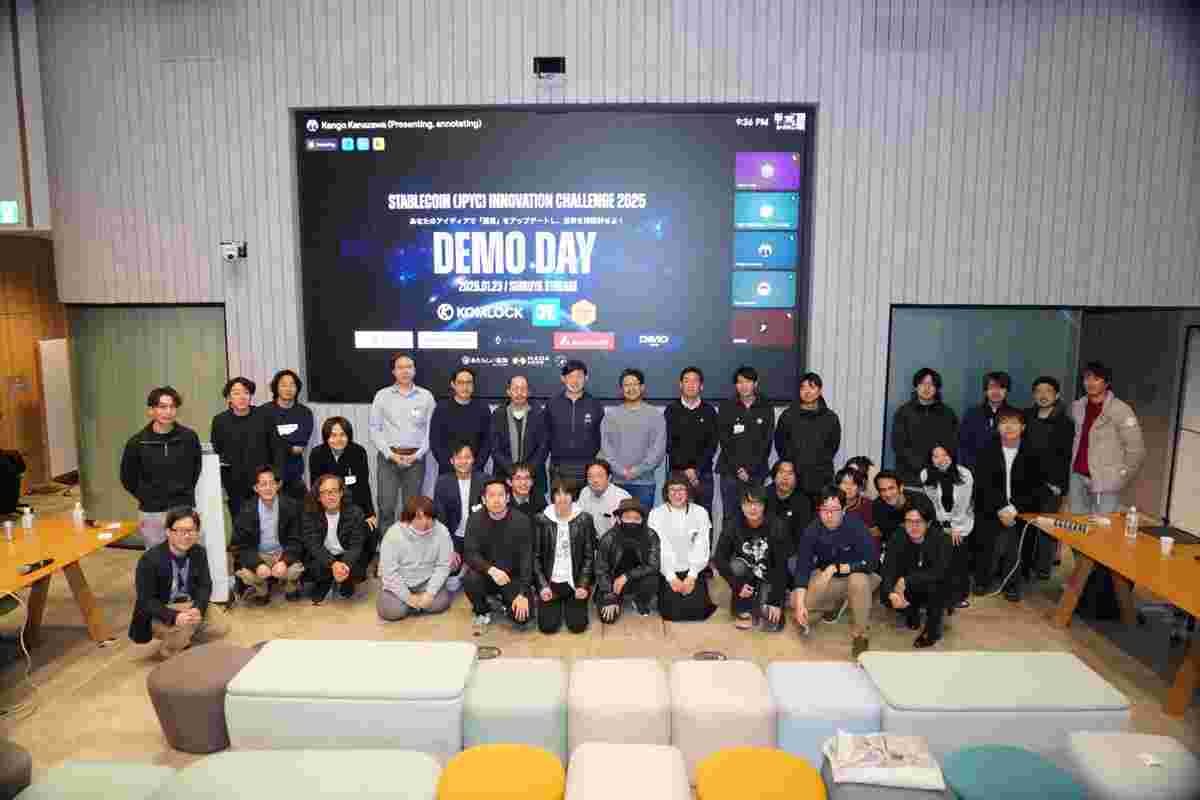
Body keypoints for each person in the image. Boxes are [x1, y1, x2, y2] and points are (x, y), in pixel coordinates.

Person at [791, 486, 881, 659]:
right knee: (796, 603)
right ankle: (836, 603)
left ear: (844, 509)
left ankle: (860, 634)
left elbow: (872, 562)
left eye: (834, 510)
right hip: (831, 579)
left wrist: (836, 568)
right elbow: (802, 567)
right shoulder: (812, 530)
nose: (829, 515)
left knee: (858, 581)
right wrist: (801, 605)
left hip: (861, 575)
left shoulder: (856, 526)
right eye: (824, 509)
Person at [129, 507, 230, 659]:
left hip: (187, 605)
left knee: (221, 626)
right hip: (160, 611)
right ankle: (170, 654)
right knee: (184, 626)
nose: (186, 536)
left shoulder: (199, 552)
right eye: (180, 531)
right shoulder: (150, 560)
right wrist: (174, 616)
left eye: (191, 531)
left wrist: (198, 608)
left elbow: (205, 585)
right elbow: (146, 600)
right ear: (168, 532)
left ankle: (184, 640)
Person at [973, 407, 1046, 602]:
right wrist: (1001, 507)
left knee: (1016, 547)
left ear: (1023, 427)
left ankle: (1012, 584)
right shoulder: (986, 450)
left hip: (1021, 510)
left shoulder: (1034, 452)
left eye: (1014, 423)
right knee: (988, 545)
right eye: (1004, 423)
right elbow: (983, 483)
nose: (1009, 427)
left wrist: (1014, 509)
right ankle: (982, 580)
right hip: (992, 507)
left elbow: (1036, 487)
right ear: (997, 427)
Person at [120, 386, 202, 548]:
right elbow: (127, 477)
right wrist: (147, 496)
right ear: (151, 411)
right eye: (162, 407)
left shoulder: (189, 438)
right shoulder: (137, 442)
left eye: (172, 407)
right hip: (152, 511)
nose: (168, 412)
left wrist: (183, 493)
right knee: (155, 555)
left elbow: (195, 470)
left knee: (187, 551)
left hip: (182, 508)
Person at [369, 353, 436, 533]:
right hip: (388, 458)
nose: (405, 371)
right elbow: (374, 429)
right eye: (400, 367)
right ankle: (386, 545)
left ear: (414, 370)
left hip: (416, 459)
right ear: (393, 371)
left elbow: (431, 431)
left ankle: (409, 545)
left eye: (409, 367)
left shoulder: (426, 397)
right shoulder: (382, 396)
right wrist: (391, 454)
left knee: (412, 509)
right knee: (386, 506)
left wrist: (417, 455)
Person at [1069, 361, 1145, 515]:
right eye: (1087, 378)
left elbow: (1136, 449)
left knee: (1102, 525)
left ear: (1107, 383)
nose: (1090, 383)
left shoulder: (1121, 410)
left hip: (1106, 480)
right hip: (1078, 475)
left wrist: (1121, 475)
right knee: (1077, 524)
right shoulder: (1077, 406)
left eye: (1096, 379)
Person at [463, 478, 535, 635]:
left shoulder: (521, 521)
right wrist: (491, 570)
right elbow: (470, 553)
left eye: (501, 495)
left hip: (512, 578)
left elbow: (527, 558)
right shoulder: (475, 519)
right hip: (487, 574)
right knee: (470, 578)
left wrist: (523, 593)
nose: (496, 500)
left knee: (523, 618)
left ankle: (502, 602)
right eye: (491, 495)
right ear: (484, 499)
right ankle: (482, 609)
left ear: (507, 498)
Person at [210, 377, 286, 521]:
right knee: (240, 523)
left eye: (246, 392)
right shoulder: (220, 421)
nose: (242, 397)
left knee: (266, 521)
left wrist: (278, 477)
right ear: (228, 398)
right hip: (234, 484)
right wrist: (222, 484)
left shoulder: (264, 416)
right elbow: (217, 452)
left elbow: (277, 449)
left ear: (251, 395)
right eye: (236, 393)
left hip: (263, 483)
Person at [716, 486, 789, 631]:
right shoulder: (733, 524)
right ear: (741, 505)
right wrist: (737, 585)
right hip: (746, 577)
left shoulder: (776, 525)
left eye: (757, 503)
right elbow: (719, 558)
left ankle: (768, 599)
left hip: (769, 576)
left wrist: (775, 600)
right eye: (748, 503)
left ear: (764, 505)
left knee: (771, 625)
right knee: (736, 565)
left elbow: (781, 566)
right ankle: (745, 603)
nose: (753, 508)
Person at [230, 466, 305, 604]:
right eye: (263, 484)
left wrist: (284, 561)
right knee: (247, 574)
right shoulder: (246, 511)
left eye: (271, 483)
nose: (268, 488)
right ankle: (261, 591)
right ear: (256, 488)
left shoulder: (291, 506)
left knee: (295, 570)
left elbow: (296, 540)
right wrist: (257, 564)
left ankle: (290, 587)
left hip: (281, 552)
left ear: (278, 485)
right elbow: (240, 545)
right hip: (260, 554)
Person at [1025, 376, 1076, 579]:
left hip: (1051, 484)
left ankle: (1043, 569)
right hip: (1027, 481)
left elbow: (1066, 457)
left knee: (1047, 527)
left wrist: (1060, 485)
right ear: (1033, 395)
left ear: (1057, 395)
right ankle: (1025, 566)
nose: (1043, 395)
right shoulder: (1026, 416)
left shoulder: (1065, 422)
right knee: (1028, 525)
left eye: (1048, 391)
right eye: (1038, 391)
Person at [648, 472, 717, 622]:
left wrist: (692, 576)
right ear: (666, 493)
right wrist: (671, 577)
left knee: (698, 612)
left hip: (693, 569)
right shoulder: (656, 514)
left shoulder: (700, 512)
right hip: (667, 570)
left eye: (681, 489)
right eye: (672, 490)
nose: (677, 494)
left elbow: (702, 545)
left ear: (688, 491)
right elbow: (659, 548)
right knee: (672, 614)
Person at [881, 505, 952, 648]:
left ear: (928, 523)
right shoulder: (897, 537)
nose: (913, 526)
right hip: (908, 585)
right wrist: (891, 594)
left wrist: (906, 580)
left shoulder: (942, 539)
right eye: (909, 521)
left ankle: (932, 630)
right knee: (886, 595)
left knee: (935, 587)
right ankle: (911, 611)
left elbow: (940, 572)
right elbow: (888, 569)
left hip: (936, 584)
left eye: (918, 522)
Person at [533, 479, 596, 634]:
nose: (562, 498)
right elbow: (535, 557)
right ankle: (555, 602)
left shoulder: (585, 519)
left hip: (574, 582)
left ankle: (571, 602)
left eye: (566, 493)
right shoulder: (541, 519)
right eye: (558, 494)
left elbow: (589, 556)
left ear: (573, 496)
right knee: (547, 627)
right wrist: (542, 586)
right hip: (551, 582)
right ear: (552, 496)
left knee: (577, 626)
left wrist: (583, 584)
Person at [376, 495, 454, 621]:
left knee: (442, 602)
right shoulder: (393, 534)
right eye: (419, 518)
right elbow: (389, 573)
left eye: (429, 517)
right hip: (402, 581)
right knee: (390, 611)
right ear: (408, 518)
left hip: (426, 581)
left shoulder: (442, 532)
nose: (425, 522)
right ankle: (414, 605)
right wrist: (408, 598)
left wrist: (430, 593)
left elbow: (443, 566)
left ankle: (414, 605)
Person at [716, 365, 775, 530]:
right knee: (730, 516)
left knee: (754, 516)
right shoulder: (727, 406)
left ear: (755, 383)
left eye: (748, 381)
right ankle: (728, 547)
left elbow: (767, 442)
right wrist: (738, 469)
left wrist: (750, 469)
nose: (744, 386)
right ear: (736, 385)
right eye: (740, 382)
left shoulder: (766, 406)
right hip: (730, 472)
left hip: (756, 473)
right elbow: (724, 441)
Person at [600, 368, 666, 510]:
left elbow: (658, 450)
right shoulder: (611, 416)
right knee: (617, 522)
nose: (631, 388)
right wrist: (620, 471)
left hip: (645, 484)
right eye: (626, 385)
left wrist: (638, 470)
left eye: (635, 384)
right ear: (621, 389)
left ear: (642, 387)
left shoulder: (655, 415)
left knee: (642, 521)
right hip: (617, 483)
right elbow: (606, 449)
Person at [773, 372, 841, 506]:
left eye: (811, 387)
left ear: (819, 391)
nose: (807, 391)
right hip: (794, 481)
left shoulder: (830, 418)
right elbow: (780, 445)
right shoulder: (788, 416)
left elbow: (832, 447)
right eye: (803, 388)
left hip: (821, 480)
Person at [919, 446, 973, 609]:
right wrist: (944, 525)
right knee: (938, 558)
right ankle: (938, 594)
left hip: (961, 522)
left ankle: (958, 596)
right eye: (936, 456)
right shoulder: (926, 474)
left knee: (957, 559)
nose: (941, 460)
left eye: (945, 455)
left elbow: (962, 505)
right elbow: (936, 503)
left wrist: (954, 526)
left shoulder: (964, 474)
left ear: (952, 455)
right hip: (940, 521)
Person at [663, 366, 719, 518]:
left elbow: (712, 444)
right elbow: (668, 443)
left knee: (704, 517)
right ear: (680, 384)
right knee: (675, 516)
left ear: (701, 386)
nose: (691, 385)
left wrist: (696, 470)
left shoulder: (709, 411)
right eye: (687, 381)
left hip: (703, 474)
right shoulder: (671, 410)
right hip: (677, 474)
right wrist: (686, 470)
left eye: (695, 381)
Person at [302, 474, 368, 603]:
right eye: (324, 492)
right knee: (313, 568)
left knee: (357, 569)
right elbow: (313, 545)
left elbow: (356, 545)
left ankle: (345, 580)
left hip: (346, 557)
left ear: (341, 493)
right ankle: (326, 581)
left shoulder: (355, 512)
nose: (330, 496)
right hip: (324, 557)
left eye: (334, 491)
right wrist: (333, 564)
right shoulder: (310, 514)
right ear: (318, 497)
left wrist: (345, 565)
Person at [594, 498, 661, 623]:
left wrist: (626, 576)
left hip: (637, 578)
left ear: (642, 520)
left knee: (653, 579)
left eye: (637, 518)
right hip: (611, 582)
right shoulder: (608, 538)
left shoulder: (651, 535)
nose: (632, 521)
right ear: (619, 519)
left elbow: (654, 565)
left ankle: (639, 600)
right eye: (628, 517)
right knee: (608, 618)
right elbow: (601, 569)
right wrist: (609, 595)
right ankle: (616, 597)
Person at [308, 416, 378, 535]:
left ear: (349, 436)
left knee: (372, 530)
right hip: (327, 506)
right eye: (333, 435)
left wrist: (369, 513)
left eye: (342, 435)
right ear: (326, 437)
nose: (338, 439)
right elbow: (315, 488)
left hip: (353, 506)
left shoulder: (358, 452)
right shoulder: (317, 454)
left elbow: (363, 486)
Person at [892, 368, 959, 485]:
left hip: (940, 474)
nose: (926, 388)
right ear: (916, 387)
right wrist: (923, 466)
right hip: (909, 476)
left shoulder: (948, 413)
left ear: (937, 388)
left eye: (931, 384)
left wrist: (939, 463)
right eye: (922, 383)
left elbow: (953, 443)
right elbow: (899, 445)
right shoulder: (903, 412)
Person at [432, 441, 488, 582]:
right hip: (455, 538)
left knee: (479, 575)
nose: (463, 462)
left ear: (473, 459)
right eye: (459, 458)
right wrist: (449, 548)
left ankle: (469, 565)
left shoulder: (484, 480)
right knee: (451, 580)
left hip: (478, 539)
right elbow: (440, 519)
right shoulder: (443, 482)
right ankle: (463, 566)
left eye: (467, 457)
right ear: (452, 461)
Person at [546, 360, 605, 486]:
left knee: (586, 499)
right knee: (560, 499)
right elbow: (545, 435)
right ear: (563, 378)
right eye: (570, 376)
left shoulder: (595, 405)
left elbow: (602, 436)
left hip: (587, 466)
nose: (575, 381)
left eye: (579, 376)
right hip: (559, 466)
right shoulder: (552, 404)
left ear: (586, 378)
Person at [490, 374, 549, 499]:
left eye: (523, 389)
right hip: (504, 476)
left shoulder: (539, 414)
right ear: (508, 392)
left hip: (533, 477)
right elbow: (495, 448)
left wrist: (527, 472)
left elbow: (543, 447)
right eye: (515, 389)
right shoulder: (498, 414)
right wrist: (512, 471)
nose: (519, 393)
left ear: (528, 392)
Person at [264, 369, 315, 502]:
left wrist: (275, 441)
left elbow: (298, 448)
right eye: (283, 385)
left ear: (297, 389)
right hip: (268, 478)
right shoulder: (264, 412)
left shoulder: (304, 413)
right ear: (276, 387)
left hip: (294, 477)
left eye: (292, 385)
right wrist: (287, 444)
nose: (288, 388)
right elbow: (262, 445)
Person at [430, 367, 492, 475]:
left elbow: (487, 442)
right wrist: (450, 467)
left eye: (469, 383)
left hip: (475, 471)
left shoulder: (483, 409)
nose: (465, 387)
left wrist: (476, 466)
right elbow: (435, 442)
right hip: (448, 471)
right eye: (460, 383)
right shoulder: (441, 409)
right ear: (453, 385)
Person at [871, 470, 937, 561]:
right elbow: (888, 536)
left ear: (901, 488)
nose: (888, 494)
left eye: (891, 488)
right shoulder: (878, 506)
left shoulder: (920, 501)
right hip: (897, 550)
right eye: (883, 490)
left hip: (925, 548)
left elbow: (933, 532)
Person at [957, 371, 1011, 471]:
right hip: (975, 471)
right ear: (985, 391)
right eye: (991, 387)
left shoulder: (1014, 415)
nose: (996, 392)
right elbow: (962, 446)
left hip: (1005, 471)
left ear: (1007, 390)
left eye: (1001, 387)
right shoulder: (972, 414)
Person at [765, 460, 814, 550]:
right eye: (781, 472)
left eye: (790, 473)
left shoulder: (803, 502)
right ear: (774, 477)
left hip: (791, 551)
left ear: (796, 479)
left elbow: (803, 536)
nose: (785, 477)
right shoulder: (763, 496)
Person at [576, 459, 631, 539]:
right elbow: (578, 519)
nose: (595, 480)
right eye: (590, 476)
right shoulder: (585, 492)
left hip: (615, 541)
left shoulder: (622, 498)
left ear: (609, 478)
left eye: (600, 476)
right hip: (591, 541)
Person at [836, 467, 875, 535]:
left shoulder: (868, 505)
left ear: (859, 487)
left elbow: (875, 533)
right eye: (844, 483)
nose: (848, 487)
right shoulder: (830, 503)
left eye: (853, 484)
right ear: (838, 486)